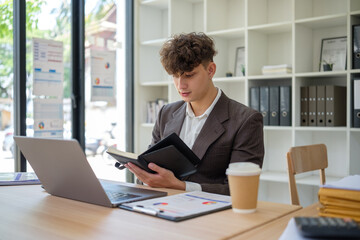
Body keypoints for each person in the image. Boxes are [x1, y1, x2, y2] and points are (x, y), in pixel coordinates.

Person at [125, 32, 264, 195]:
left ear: (211, 70)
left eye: (189, 75)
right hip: (163, 206)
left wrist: (181, 186)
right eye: (175, 76)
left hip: (214, 214)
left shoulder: (245, 120)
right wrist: (142, 174)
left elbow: (242, 189)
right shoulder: (166, 113)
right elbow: (150, 169)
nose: (180, 85)